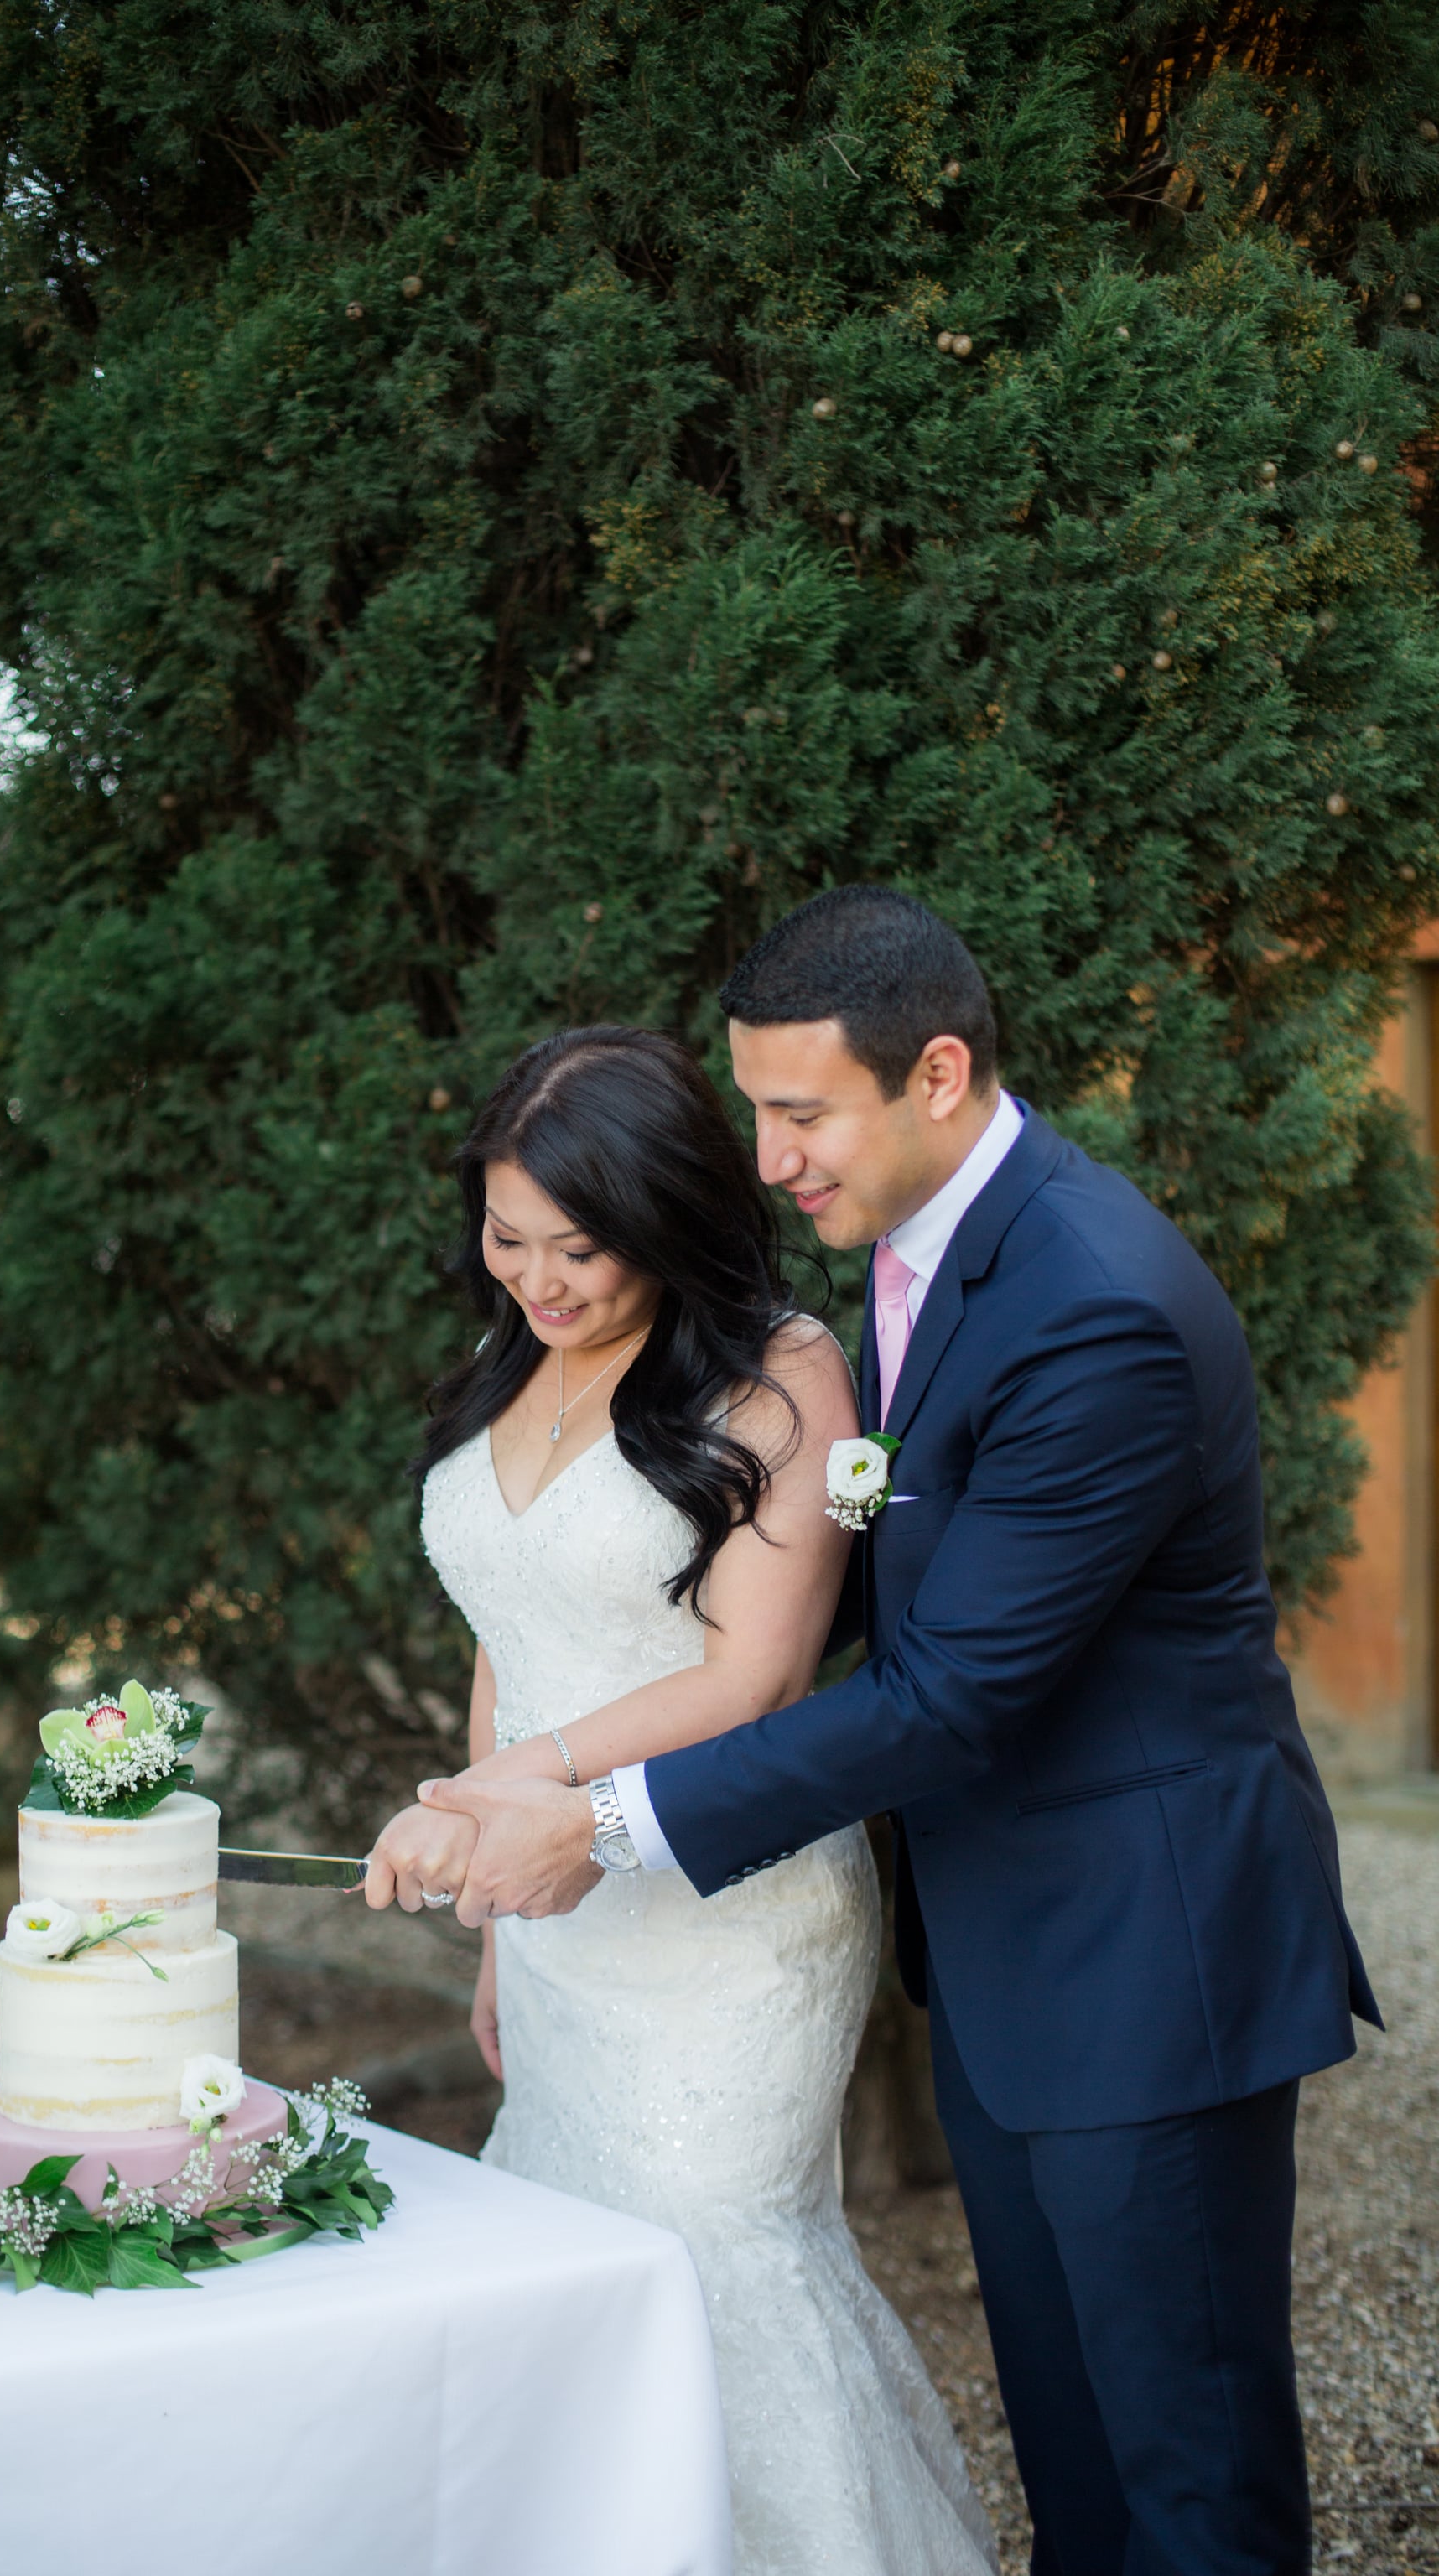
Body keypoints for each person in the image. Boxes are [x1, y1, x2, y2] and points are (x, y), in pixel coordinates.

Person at [403, 888, 1379, 2576]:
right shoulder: (920, 1263)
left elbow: (953, 1693)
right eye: (756, 1109)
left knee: (1189, 2484)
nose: (771, 1156)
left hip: (1149, 1965)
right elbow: (889, 1584)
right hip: (1006, 1958)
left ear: (935, 1074)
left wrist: (607, 1814)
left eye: (800, 1113)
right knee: (1075, 2463)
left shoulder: (1094, 1304)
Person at [366, 1021, 995, 2576]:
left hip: (733, 1918)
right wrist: (503, 1918)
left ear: (669, 1213)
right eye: (508, 1239)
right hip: (563, 1911)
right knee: (575, 2258)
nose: (540, 1279)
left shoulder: (787, 1372)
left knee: (717, 2260)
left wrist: (501, 1786)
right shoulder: (510, 1362)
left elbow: (753, 1676)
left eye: (580, 1246)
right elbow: (509, 1646)